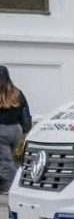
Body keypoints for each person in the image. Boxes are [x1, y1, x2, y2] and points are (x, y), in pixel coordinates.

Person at [0, 66, 32, 194]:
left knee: (5, 161)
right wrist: (26, 128)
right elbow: (25, 110)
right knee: (6, 160)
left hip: (2, 131)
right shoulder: (17, 92)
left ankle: (11, 187)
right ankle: (4, 185)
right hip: (16, 130)